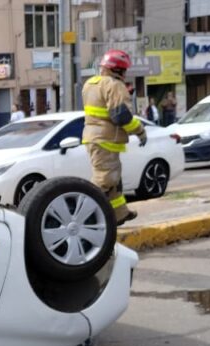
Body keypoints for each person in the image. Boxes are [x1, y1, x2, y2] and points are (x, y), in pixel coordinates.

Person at [81, 49, 147, 225]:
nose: (125, 74)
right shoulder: (115, 85)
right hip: (106, 139)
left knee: (113, 181)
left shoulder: (90, 84)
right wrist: (140, 131)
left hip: (93, 137)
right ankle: (83, 217)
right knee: (105, 180)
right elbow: (121, 116)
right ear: (118, 70)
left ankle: (120, 213)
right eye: (124, 70)